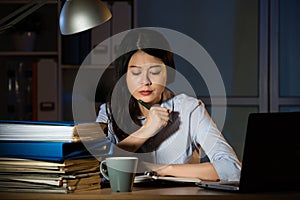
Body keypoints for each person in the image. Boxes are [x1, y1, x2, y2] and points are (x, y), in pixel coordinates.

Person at [96, 28, 241, 182]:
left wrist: (163, 169)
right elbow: (97, 166)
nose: (145, 81)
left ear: (169, 73)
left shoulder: (190, 109)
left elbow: (232, 169)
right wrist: (147, 130)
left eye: (155, 71)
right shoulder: (109, 111)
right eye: (136, 73)